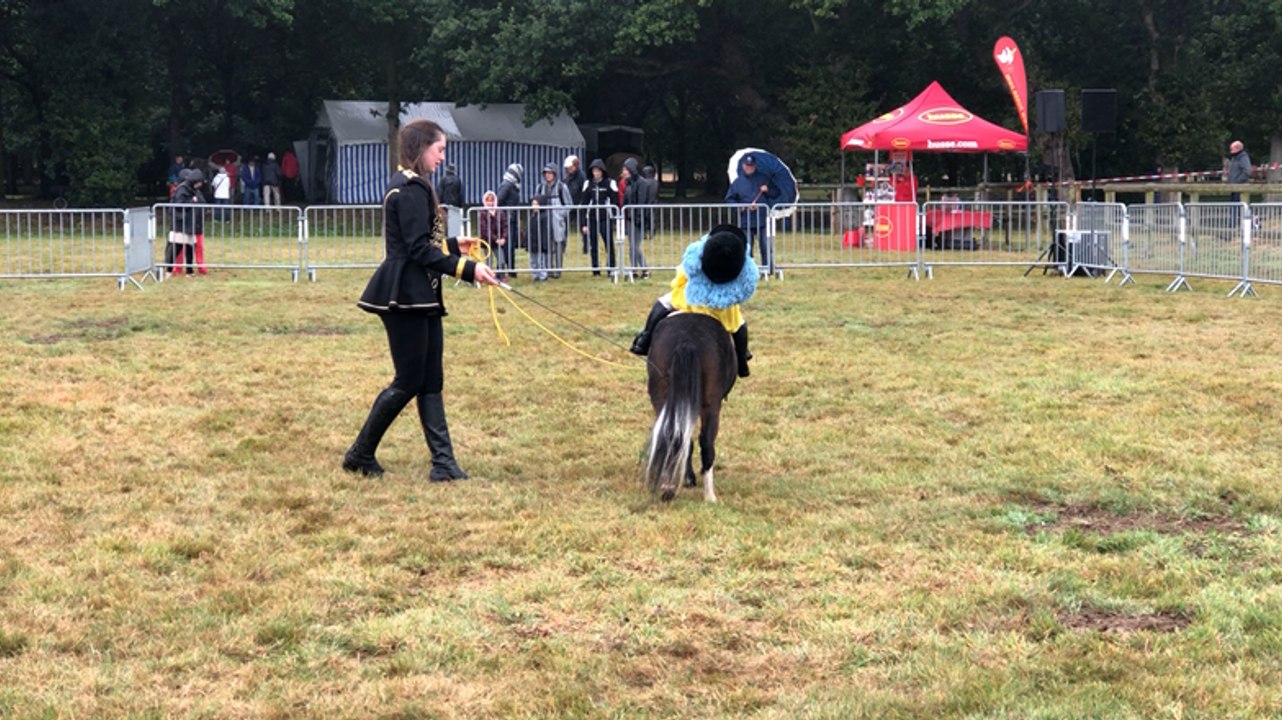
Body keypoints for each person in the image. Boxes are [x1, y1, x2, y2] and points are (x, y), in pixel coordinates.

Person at [343, 119, 500, 481]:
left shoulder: (412, 186)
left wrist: (451, 246)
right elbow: (414, 249)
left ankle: (443, 464)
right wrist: (467, 269)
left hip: (421, 294)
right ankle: (359, 453)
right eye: (439, 149)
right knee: (409, 379)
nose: (443, 157)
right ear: (420, 148)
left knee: (431, 379)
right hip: (405, 295)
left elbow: (419, 244)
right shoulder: (410, 188)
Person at [629, 224, 757, 378]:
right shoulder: (739, 264)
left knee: (663, 303)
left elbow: (681, 278)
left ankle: (645, 339)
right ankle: (742, 362)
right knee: (739, 325)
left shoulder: (696, 256)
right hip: (720, 308)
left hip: (690, 300)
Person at [724, 154, 778, 270]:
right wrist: (740, 207)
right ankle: (748, 270)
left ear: (755, 165)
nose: (749, 167)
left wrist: (767, 190)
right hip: (746, 220)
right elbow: (729, 199)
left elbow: (776, 193)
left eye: (751, 165)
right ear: (743, 166)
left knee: (765, 245)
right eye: (747, 165)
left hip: (763, 219)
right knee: (747, 246)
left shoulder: (764, 179)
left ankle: (767, 269)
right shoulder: (737, 182)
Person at [534, 162, 572, 278]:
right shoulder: (540, 187)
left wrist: (560, 214)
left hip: (557, 220)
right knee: (546, 244)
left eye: (550, 173)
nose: (548, 176)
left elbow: (569, 204)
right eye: (546, 173)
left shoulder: (562, 187)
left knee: (558, 243)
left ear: (555, 174)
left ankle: (558, 270)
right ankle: (548, 268)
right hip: (544, 220)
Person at [581, 158, 618, 277]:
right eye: (594, 171)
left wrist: (615, 219)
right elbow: (584, 204)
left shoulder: (610, 183)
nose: (595, 173)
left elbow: (615, 202)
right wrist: (584, 223)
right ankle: (595, 269)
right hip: (592, 218)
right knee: (593, 245)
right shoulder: (588, 184)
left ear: (602, 171)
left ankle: (611, 268)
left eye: (598, 171)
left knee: (609, 244)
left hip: (605, 218)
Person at [167, 169, 205, 276]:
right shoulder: (182, 189)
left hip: (190, 223)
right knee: (177, 248)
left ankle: (189, 271)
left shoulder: (191, 190)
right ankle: (168, 270)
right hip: (180, 224)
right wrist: (192, 201)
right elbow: (179, 205)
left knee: (190, 247)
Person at [620, 158, 652, 278]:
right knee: (632, 245)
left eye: (625, 169)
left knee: (634, 245)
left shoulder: (641, 183)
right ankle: (634, 270)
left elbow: (641, 202)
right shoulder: (629, 183)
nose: (623, 172)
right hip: (629, 218)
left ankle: (644, 269)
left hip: (638, 219)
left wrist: (639, 219)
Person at [495, 163, 523, 279]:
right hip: (506, 220)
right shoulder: (507, 185)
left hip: (510, 219)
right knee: (507, 246)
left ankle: (510, 270)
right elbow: (499, 200)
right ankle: (504, 271)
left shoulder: (512, 185)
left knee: (510, 246)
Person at [477, 190, 509, 278]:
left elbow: (505, 226)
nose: (490, 203)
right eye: (488, 200)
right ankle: (488, 277)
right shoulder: (482, 213)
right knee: (489, 262)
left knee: (501, 261)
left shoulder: (500, 212)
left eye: (492, 200)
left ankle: (500, 277)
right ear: (484, 201)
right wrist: (496, 239)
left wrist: (504, 238)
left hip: (498, 242)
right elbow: (484, 229)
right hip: (486, 241)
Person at [526, 193, 553, 282]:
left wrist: (544, 243)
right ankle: (535, 275)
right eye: (533, 204)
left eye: (536, 204)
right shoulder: (531, 216)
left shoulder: (544, 216)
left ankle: (543, 276)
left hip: (540, 243)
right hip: (532, 242)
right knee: (533, 261)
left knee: (541, 260)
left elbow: (545, 231)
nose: (534, 206)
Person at [563, 155, 586, 253]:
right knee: (564, 225)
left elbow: (584, 192)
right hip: (570, 206)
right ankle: (562, 246)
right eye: (568, 168)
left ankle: (586, 247)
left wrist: (582, 204)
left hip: (580, 206)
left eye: (571, 167)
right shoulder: (567, 177)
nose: (569, 169)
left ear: (576, 166)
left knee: (584, 226)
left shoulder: (581, 177)